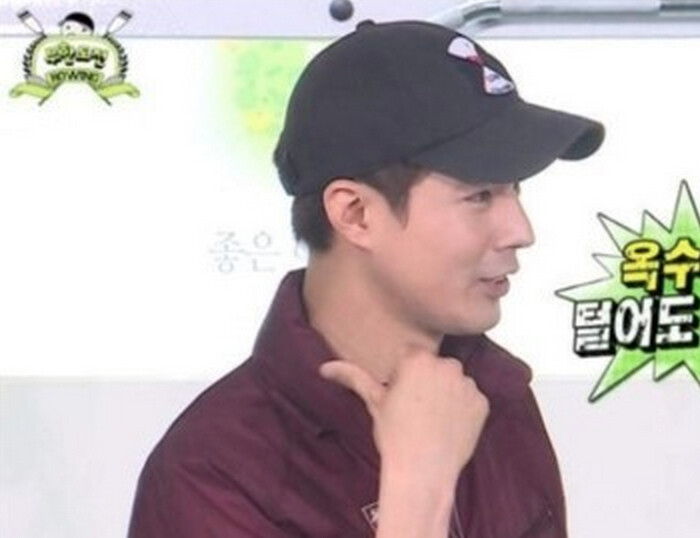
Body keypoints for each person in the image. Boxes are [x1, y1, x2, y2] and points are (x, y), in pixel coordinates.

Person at [128, 19, 603, 537]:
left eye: (516, 191)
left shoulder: (496, 398)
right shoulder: (213, 474)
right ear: (354, 214)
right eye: (479, 195)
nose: (520, 231)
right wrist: (417, 490)